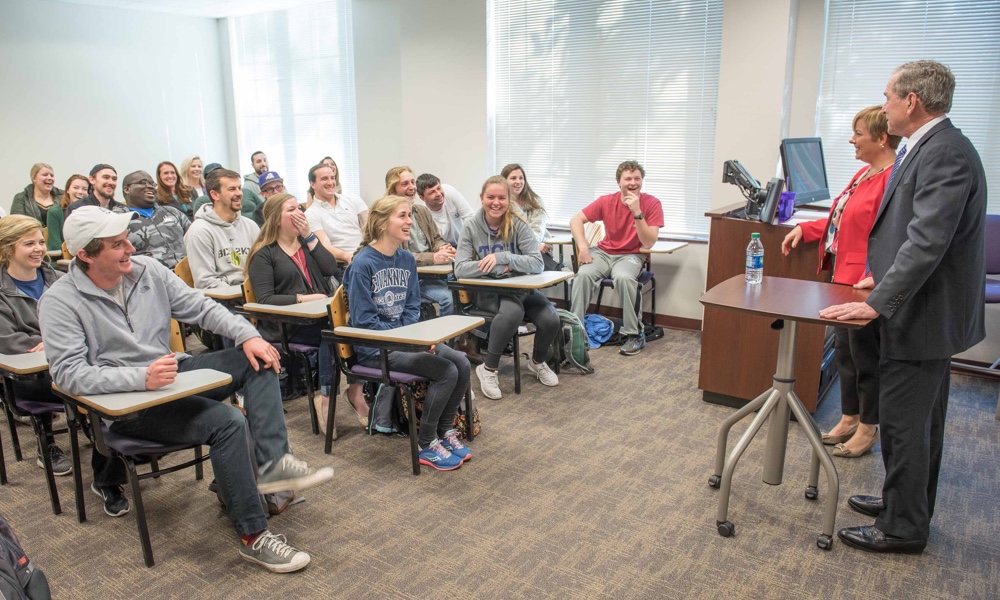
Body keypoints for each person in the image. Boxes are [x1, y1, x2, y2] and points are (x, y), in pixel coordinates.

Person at [39, 206, 333, 572]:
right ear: (85, 255)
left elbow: (200, 306)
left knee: (260, 359)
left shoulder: (147, 271)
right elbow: (67, 374)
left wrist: (249, 335)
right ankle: (253, 537)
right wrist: (139, 378)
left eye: (126, 239)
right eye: (116, 244)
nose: (130, 247)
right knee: (228, 421)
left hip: (171, 375)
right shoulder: (59, 301)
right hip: (130, 405)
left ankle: (274, 464)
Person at [820, 61, 987, 554]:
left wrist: (876, 302)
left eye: (889, 96)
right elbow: (913, 233)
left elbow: (929, 240)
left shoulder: (946, 154)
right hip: (918, 308)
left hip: (923, 316)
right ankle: (905, 505)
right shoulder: (929, 147)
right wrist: (882, 272)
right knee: (917, 422)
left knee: (906, 425)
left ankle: (903, 528)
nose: (885, 104)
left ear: (911, 100)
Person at [781, 106, 899, 459]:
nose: (852, 139)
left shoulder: (893, 179)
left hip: (865, 284)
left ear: (881, 138)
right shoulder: (865, 173)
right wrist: (806, 228)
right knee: (847, 355)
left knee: (867, 358)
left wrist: (880, 275)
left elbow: (895, 234)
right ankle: (849, 417)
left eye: (858, 133)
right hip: (841, 276)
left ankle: (868, 427)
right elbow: (839, 217)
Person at [344, 194, 472, 471]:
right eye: (402, 216)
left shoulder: (405, 259)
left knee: (461, 362)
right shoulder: (362, 264)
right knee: (445, 371)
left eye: (409, 215)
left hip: (405, 341)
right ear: (380, 223)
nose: (409, 221)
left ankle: (445, 431)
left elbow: (413, 307)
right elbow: (365, 322)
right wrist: (409, 342)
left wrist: (415, 339)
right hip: (374, 348)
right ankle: (426, 443)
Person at [245, 193, 363, 435]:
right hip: (286, 326)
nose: (299, 213)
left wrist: (310, 237)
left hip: (318, 318)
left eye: (299, 208)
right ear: (277, 219)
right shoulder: (264, 254)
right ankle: (327, 399)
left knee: (357, 328)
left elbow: (330, 269)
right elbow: (265, 299)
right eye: (291, 210)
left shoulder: (306, 244)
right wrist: (304, 298)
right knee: (331, 335)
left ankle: (356, 390)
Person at [454, 176, 561, 400]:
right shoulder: (472, 226)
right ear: (481, 198)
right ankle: (489, 368)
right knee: (513, 312)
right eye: (490, 197)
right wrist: (492, 268)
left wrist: (503, 257)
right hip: (490, 292)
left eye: (501, 198)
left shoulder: (518, 224)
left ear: (509, 199)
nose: (496, 202)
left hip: (521, 289)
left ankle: (537, 362)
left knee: (551, 318)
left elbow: (537, 263)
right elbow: (461, 269)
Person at [0, 215, 72, 476]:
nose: (40, 248)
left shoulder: (62, 279)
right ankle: (47, 444)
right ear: (8, 248)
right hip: (28, 376)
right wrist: (57, 341)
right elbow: (7, 339)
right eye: (29, 243)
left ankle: (107, 441)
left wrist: (53, 342)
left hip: (68, 358)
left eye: (41, 242)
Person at [569, 160, 664, 356]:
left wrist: (637, 212)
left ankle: (635, 334)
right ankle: (575, 332)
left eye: (637, 178)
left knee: (623, 278)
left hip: (631, 255)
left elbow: (648, 243)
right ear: (618, 182)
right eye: (627, 179)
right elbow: (575, 220)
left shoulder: (652, 203)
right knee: (583, 276)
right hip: (604, 252)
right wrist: (583, 247)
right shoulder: (606, 201)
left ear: (642, 181)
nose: (632, 183)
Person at [385, 166, 455, 317]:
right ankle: (441, 339)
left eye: (412, 182)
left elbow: (436, 239)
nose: (411, 187)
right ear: (392, 190)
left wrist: (443, 248)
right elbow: (399, 256)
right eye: (405, 184)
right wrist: (433, 258)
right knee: (448, 299)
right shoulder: (389, 218)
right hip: (410, 279)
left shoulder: (421, 211)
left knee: (466, 285)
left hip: (432, 273)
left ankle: (467, 337)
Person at [185, 168, 260, 289]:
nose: (239, 193)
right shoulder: (199, 231)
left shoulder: (250, 226)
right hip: (223, 301)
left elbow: (263, 268)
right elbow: (205, 282)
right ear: (215, 195)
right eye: (232, 189)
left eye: (239, 188)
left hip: (253, 293)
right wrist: (243, 293)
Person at [122, 170, 190, 269]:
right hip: (150, 280)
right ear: (127, 189)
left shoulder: (172, 212)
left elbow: (194, 238)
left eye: (152, 183)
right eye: (143, 183)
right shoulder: (119, 220)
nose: (150, 186)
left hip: (188, 276)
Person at [305, 163, 368, 264]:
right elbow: (324, 246)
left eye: (332, 178)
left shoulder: (353, 199)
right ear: (312, 184)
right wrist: (348, 256)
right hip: (342, 263)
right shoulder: (311, 213)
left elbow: (370, 229)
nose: (330, 182)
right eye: (324, 179)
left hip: (367, 255)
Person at [415, 173, 474, 248]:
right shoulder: (423, 214)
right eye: (432, 192)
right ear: (422, 198)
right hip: (443, 248)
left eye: (439, 188)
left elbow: (469, 216)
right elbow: (433, 242)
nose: (438, 194)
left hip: (464, 241)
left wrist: (466, 242)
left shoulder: (449, 191)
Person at [501, 163, 549, 251]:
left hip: (534, 250)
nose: (518, 182)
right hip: (508, 250)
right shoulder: (500, 203)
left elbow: (537, 233)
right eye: (513, 178)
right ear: (504, 181)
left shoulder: (536, 202)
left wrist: (531, 246)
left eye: (521, 178)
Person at [191, 163, 262, 221]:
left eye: (221, 173)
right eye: (232, 189)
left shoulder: (246, 192)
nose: (239, 193)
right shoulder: (202, 201)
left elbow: (263, 208)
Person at [45, 174, 88, 254]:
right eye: (76, 188)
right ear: (68, 190)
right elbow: (55, 244)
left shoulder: (92, 213)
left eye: (84, 189)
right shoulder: (55, 212)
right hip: (61, 261)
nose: (80, 192)